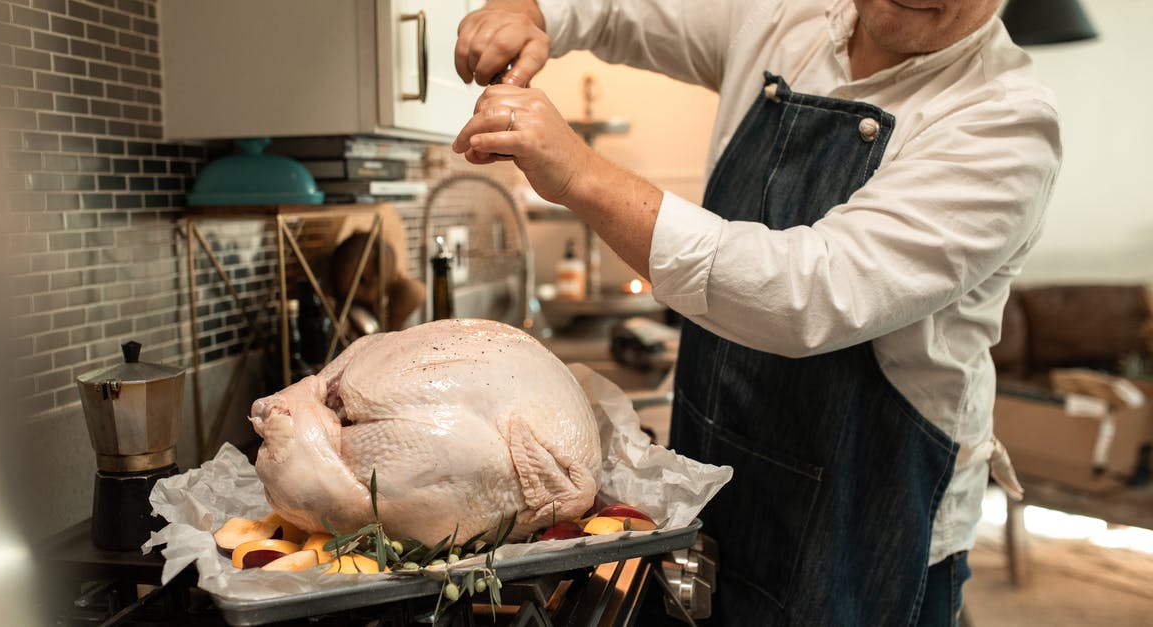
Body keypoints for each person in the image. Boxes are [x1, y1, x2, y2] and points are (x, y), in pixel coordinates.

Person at [453, 0, 1060, 625]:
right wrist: (528, 10)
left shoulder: (1005, 121)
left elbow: (809, 294)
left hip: (864, 526)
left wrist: (582, 174)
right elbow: (617, 11)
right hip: (714, 490)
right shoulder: (782, 16)